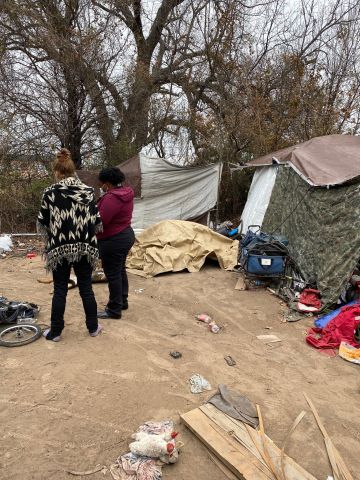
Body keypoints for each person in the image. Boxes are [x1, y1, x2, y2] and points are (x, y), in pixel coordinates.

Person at [37, 148, 103, 341]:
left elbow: (43, 221)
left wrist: (61, 230)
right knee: (86, 287)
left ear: (57, 172)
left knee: (60, 289)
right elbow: (96, 221)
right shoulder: (88, 192)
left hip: (59, 248)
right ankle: (93, 328)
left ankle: (56, 332)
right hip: (84, 248)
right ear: (73, 170)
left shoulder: (50, 193)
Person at [96, 167, 135, 319]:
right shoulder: (126, 193)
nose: (101, 186)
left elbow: (101, 221)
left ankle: (114, 310)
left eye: (102, 183)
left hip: (113, 239)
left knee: (113, 274)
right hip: (125, 235)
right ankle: (122, 301)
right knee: (119, 270)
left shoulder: (111, 198)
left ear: (107, 183)